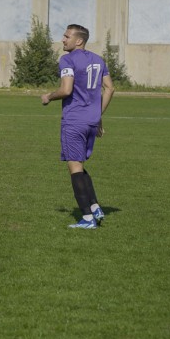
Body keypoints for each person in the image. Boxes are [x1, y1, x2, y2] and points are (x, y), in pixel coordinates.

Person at [41, 24, 115, 229]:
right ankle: (95, 207)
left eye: (67, 36)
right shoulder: (99, 60)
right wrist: (97, 115)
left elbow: (66, 90)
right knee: (79, 164)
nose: (63, 40)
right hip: (91, 122)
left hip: (74, 120)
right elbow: (110, 88)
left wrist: (48, 97)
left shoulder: (67, 59)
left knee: (74, 167)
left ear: (79, 41)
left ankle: (88, 218)